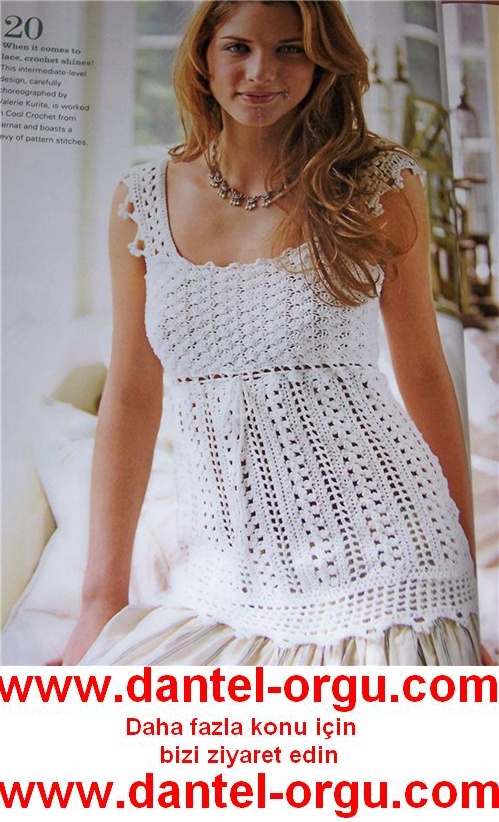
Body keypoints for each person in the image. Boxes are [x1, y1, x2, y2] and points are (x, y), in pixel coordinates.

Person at [56, 0, 484, 666]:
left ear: (322, 62)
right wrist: (98, 599)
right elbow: (132, 398)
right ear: (203, 57)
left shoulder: (377, 184)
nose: (261, 72)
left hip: (388, 552)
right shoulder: (141, 201)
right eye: (238, 47)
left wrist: (466, 581)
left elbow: (425, 373)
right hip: (225, 568)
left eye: (291, 49)